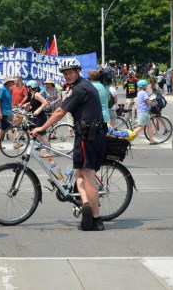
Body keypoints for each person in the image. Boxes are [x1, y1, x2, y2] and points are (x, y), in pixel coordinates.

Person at [31, 58, 107, 231]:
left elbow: (59, 111)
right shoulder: (84, 85)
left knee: (87, 176)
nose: (67, 76)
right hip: (88, 134)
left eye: (70, 72)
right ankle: (85, 204)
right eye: (65, 74)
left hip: (89, 136)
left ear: (78, 71)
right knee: (78, 173)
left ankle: (96, 219)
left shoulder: (79, 89)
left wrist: (41, 127)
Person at [23, 81, 52, 156]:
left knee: (42, 135)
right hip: (35, 117)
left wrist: (38, 110)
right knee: (33, 130)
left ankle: (48, 152)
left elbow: (45, 102)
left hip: (41, 117)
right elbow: (35, 103)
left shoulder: (37, 94)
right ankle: (40, 145)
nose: (27, 89)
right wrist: (27, 104)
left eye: (28, 87)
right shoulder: (32, 95)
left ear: (31, 87)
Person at [0, 76, 14, 150]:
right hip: (4, 112)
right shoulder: (3, 89)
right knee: (9, 128)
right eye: (11, 81)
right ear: (8, 82)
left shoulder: (8, 89)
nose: (12, 82)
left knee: (2, 129)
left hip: (8, 111)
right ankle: (14, 143)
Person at [136, 79, 156, 144]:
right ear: (143, 86)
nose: (147, 86)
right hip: (143, 112)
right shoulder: (144, 93)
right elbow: (148, 102)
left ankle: (152, 140)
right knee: (140, 127)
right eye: (146, 85)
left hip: (142, 111)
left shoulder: (139, 93)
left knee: (149, 125)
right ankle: (129, 139)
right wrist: (152, 101)